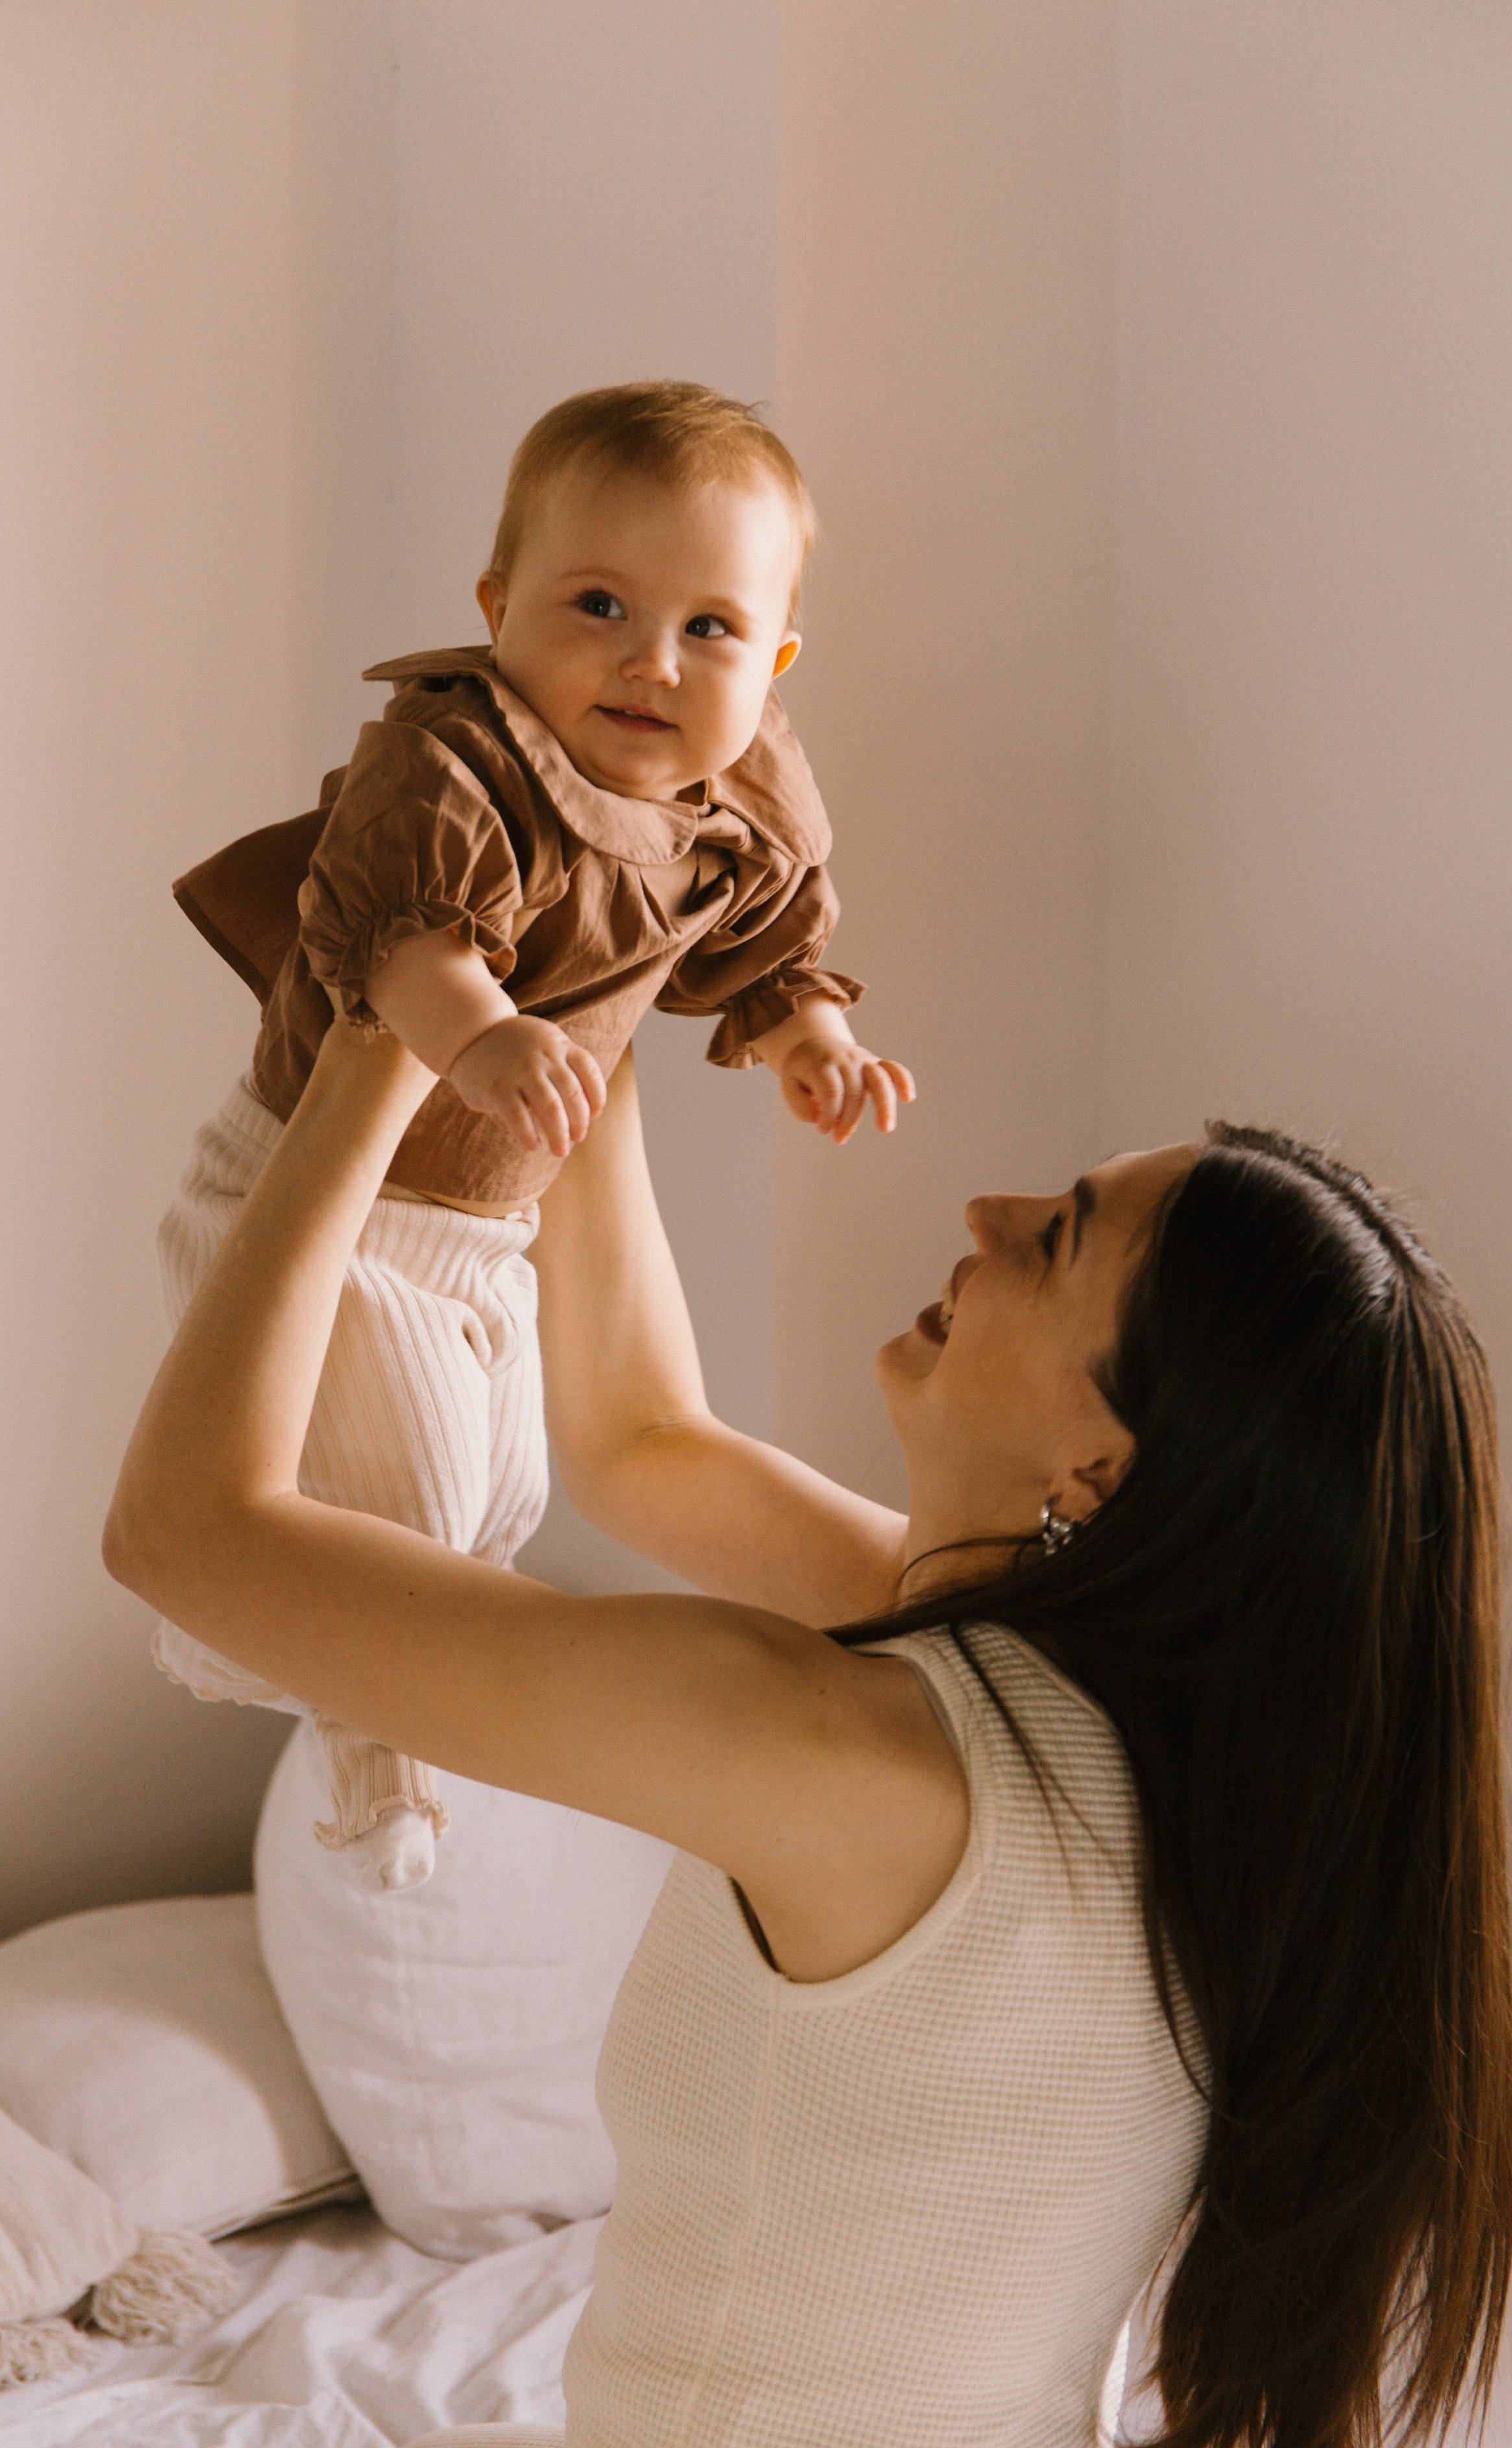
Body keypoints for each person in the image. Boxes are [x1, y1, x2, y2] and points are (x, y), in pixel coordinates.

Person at [104, 1021, 1512, 2448]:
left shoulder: (845, 1751)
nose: (982, 1214)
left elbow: (186, 1535)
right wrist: (586, 996)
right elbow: (642, 1439)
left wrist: (379, 1045)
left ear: (1097, 1472)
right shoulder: (1160, 1734)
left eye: (1053, 1242)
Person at [151, 380, 912, 1889]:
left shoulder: (737, 798)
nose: (650, 660)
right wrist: (484, 1031)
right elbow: (402, 943)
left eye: (710, 629)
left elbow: (760, 955)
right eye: (598, 604)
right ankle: (380, 1765)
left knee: (492, 1496)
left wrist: (810, 1038)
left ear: (774, 660)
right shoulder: (455, 760)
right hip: (324, 1190)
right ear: (496, 606)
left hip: (488, 1209)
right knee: (399, 1500)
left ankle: (392, 1733)